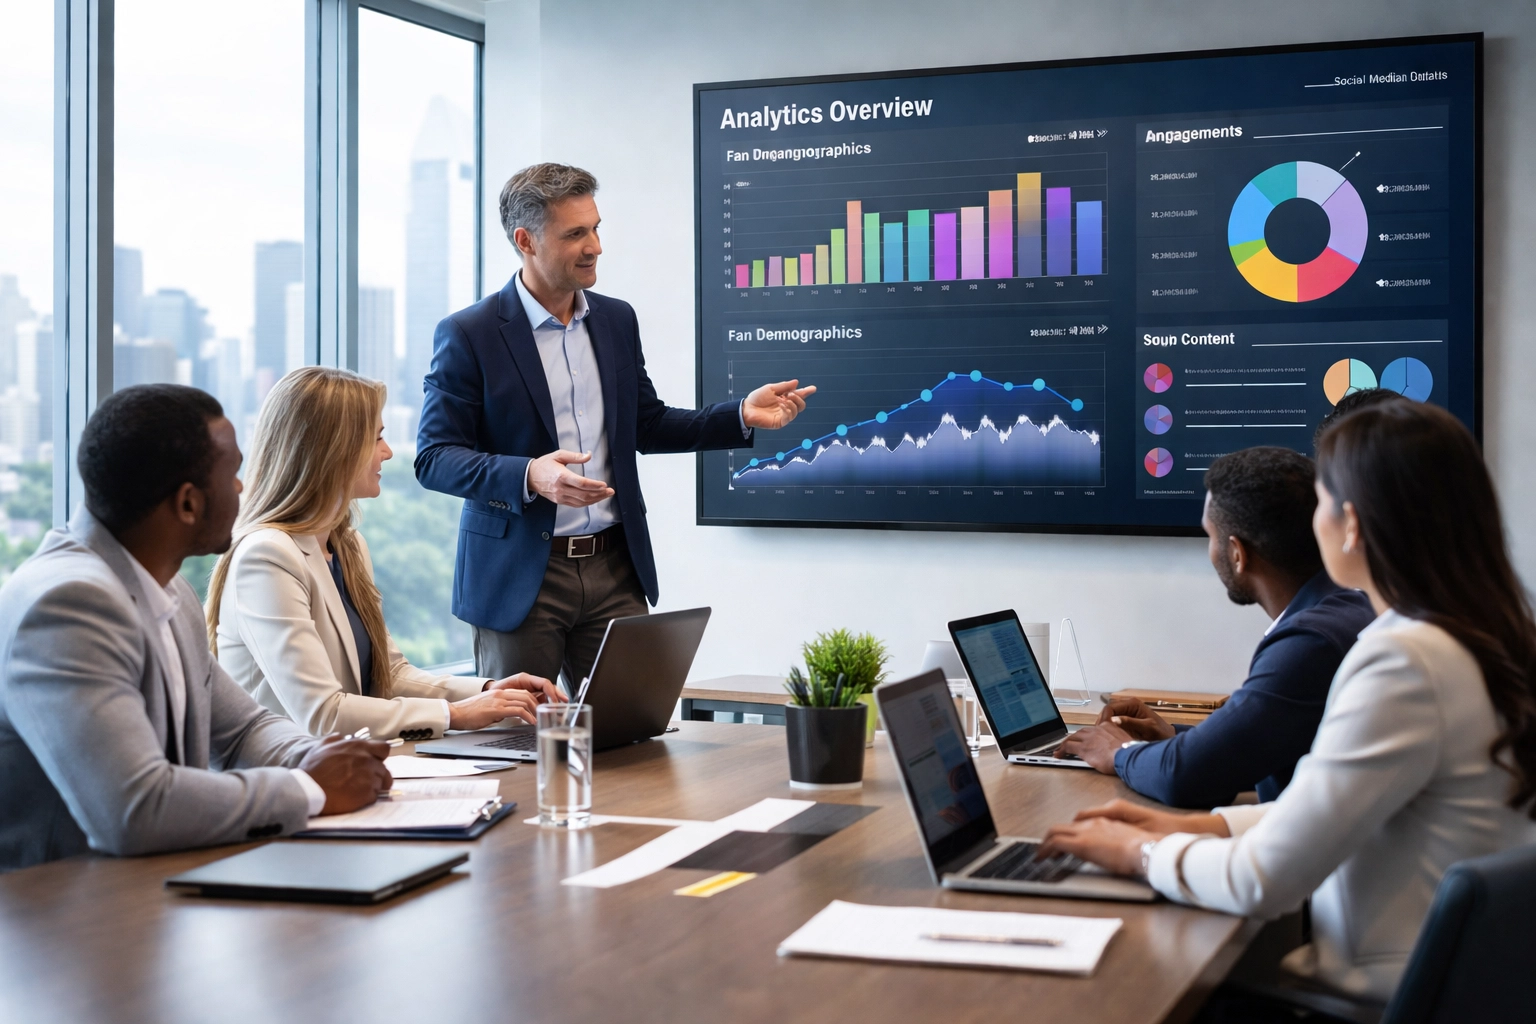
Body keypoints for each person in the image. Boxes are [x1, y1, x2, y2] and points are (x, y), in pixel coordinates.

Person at [1039, 401, 1536, 1006]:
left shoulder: (1405, 663)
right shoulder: (1478, 635)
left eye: (1321, 501)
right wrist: (1196, 825)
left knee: (1120, 994)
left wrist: (1141, 852)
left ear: (1350, 523)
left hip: (1379, 997)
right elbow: (1332, 807)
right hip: (1452, 990)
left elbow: (1262, 882)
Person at [416, 163, 815, 687]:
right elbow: (434, 457)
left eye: (596, 228)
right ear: (525, 241)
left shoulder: (615, 319)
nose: (595, 246)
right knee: (519, 743)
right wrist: (531, 474)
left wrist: (738, 415)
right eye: (575, 234)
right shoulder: (470, 333)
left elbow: (645, 425)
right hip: (518, 577)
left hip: (613, 566)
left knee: (633, 735)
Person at [0, 385, 391, 872]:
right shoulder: (69, 604)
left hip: (146, 890)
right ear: (188, 504)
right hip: (69, 915)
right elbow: (135, 809)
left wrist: (319, 758)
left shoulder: (163, 586)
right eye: (233, 475)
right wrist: (308, 787)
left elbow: (241, 729)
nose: (244, 489)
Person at [207, 367, 563, 741]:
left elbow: (388, 674)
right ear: (334, 450)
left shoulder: (347, 546)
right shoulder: (266, 557)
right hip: (288, 782)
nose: (388, 452)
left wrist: (489, 692)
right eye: (377, 438)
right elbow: (323, 714)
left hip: (347, 766)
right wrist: (455, 714)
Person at [1055, 446, 1376, 807]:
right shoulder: (1346, 609)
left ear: (1238, 554)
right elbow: (1261, 743)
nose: (1211, 549)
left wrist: (1119, 753)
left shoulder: (1310, 643)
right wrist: (1177, 738)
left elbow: (1188, 777)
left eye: (1210, 535)